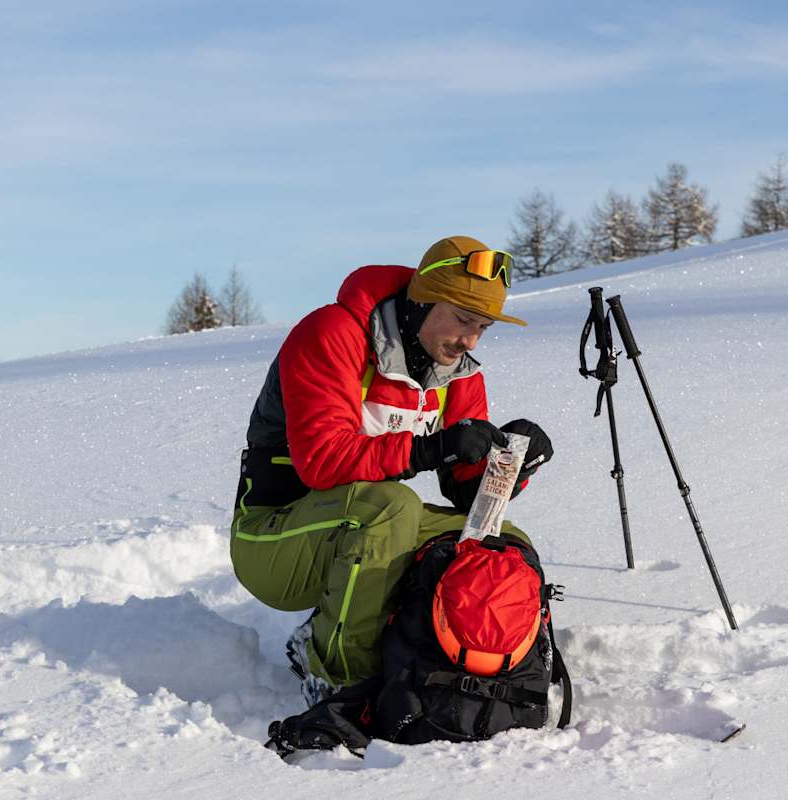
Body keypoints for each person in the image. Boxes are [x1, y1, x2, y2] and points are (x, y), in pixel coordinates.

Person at [230, 235, 553, 705]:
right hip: (272, 540)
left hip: (359, 523)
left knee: (501, 544)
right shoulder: (333, 334)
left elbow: (467, 498)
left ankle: (470, 666)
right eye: (463, 319)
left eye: (482, 327)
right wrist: (430, 448)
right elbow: (323, 462)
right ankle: (335, 677)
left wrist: (511, 465)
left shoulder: (459, 370)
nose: (470, 340)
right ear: (422, 301)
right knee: (391, 509)